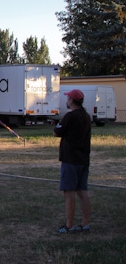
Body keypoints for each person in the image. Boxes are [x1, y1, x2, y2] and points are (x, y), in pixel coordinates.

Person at [53, 88, 92, 234]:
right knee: (82, 191)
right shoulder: (86, 116)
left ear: (71, 100)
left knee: (69, 192)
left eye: (68, 98)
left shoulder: (70, 116)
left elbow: (56, 132)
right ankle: (85, 223)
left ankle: (69, 225)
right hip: (83, 159)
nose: (67, 100)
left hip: (70, 159)